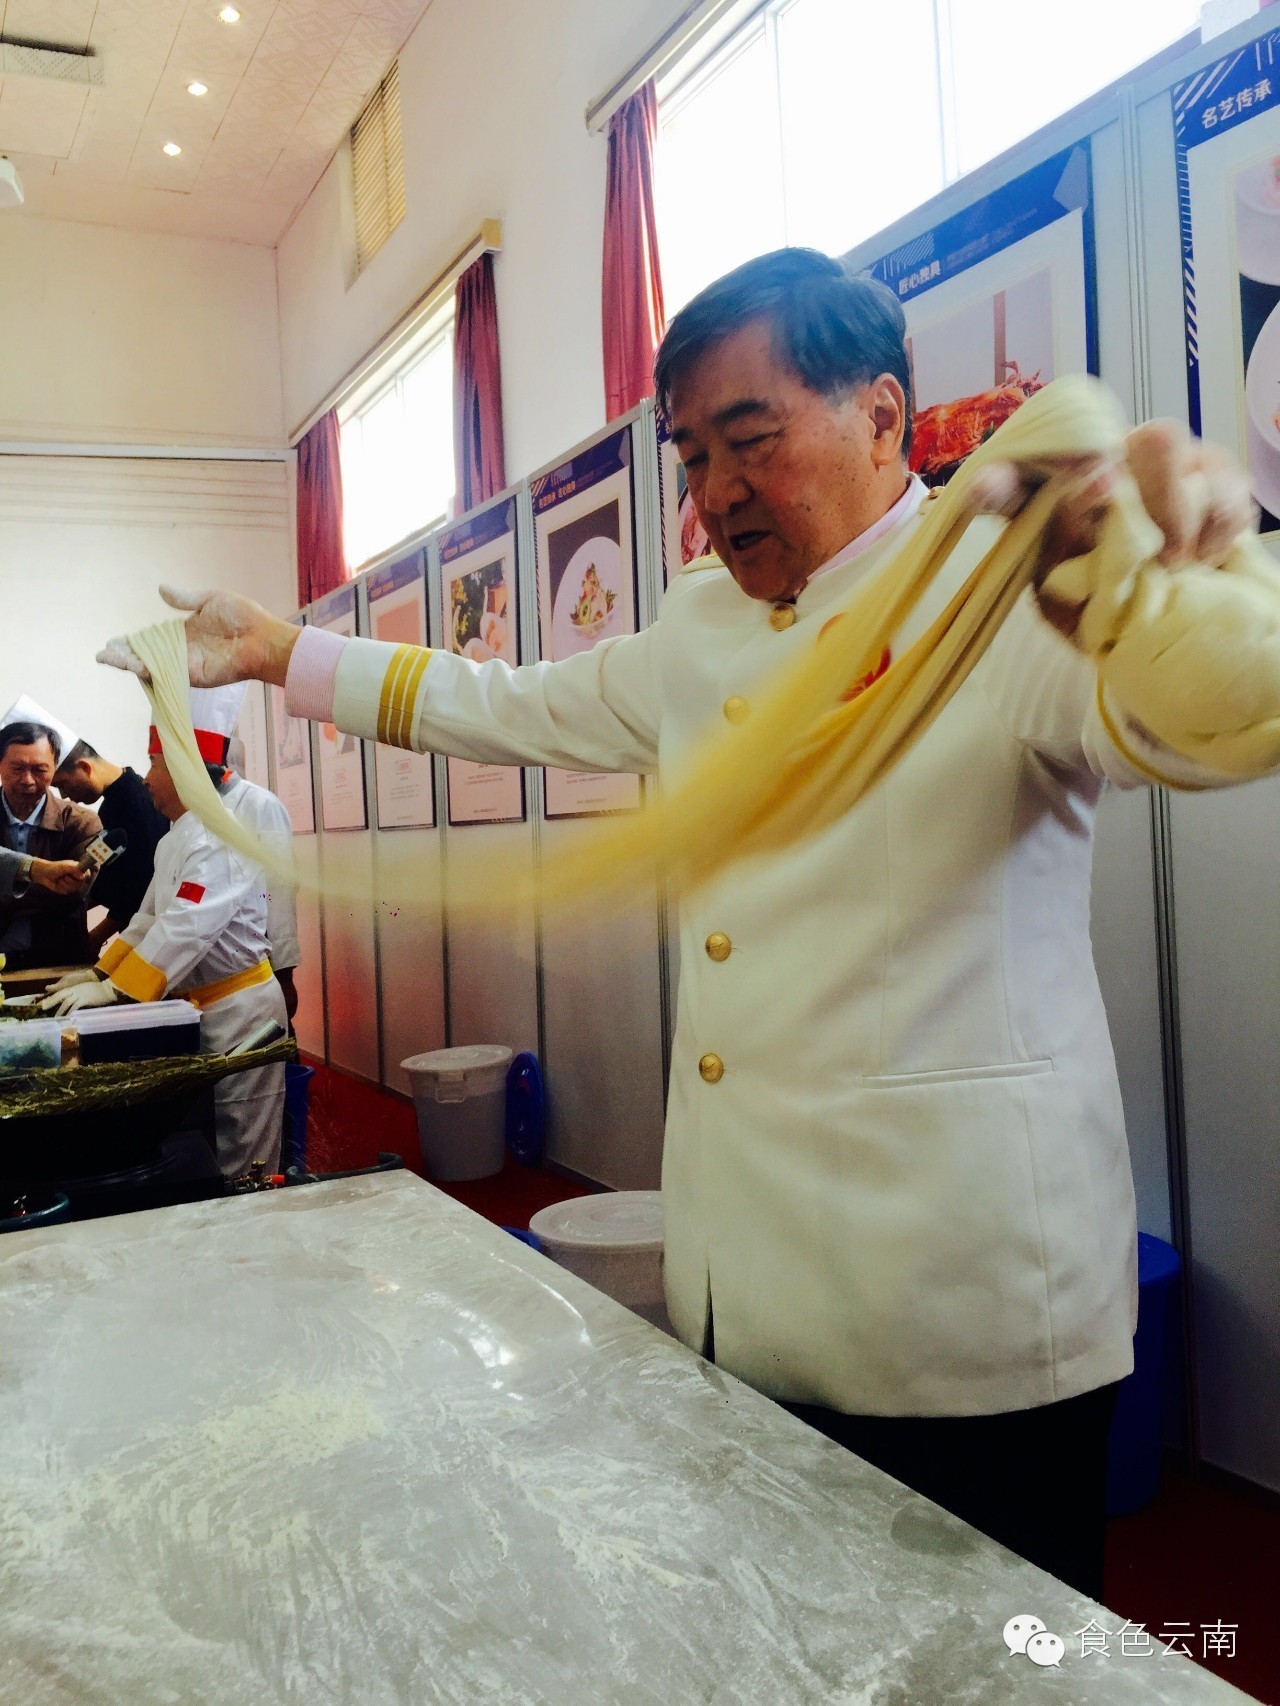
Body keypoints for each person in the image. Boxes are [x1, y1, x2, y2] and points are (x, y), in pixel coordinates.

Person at [100, 249, 1262, 1597]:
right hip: (753, 1283)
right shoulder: (705, 622)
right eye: (691, 454)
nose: (714, 492)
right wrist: (277, 647)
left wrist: (1208, 562)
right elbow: (509, 701)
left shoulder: (1006, 592)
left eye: (749, 441)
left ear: (884, 415)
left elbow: (1205, 719)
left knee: (1004, 1664)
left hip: (958, 1299)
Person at [43, 686, 287, 1178]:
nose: (147, 776)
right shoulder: (178, 836)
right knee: (210, 1137)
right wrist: (98, 970)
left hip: (240, 1011)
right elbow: (149, 920)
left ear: (183, 770)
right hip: (201, 1008)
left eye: (155, 763)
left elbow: (186, 930)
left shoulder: (219, 836)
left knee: (245, 1149)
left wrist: (113, 991)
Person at [0, 707, 101, 970]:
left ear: (55, 768)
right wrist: (43, 878)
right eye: (17, 768)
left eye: (39, 769)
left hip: (58, 960)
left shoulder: (82, 823)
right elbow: (56, 890)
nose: (28, 779)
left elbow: (76, 890)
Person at [52, 737, 170, 953]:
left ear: (84, 767)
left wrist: (95, 937)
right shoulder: (113, 802)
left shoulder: (138, 803)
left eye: (62, 784)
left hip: (151, 938)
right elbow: (111, 875)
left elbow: (143, 886)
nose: (65, 796)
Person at [223, 735, 300, 1023]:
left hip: (258, 955)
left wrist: (284, 971)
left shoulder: (261, 805)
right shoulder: (190, 807)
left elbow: (278, 888)